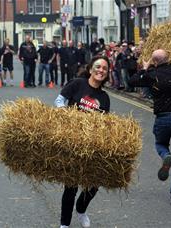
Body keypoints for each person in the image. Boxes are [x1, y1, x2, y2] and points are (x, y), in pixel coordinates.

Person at [129, 49, 171, 205]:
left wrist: (145, 68)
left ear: (154, 61)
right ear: (170, 58)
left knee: (160, 144)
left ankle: (165, 155)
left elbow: (132, 81)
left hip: (164, 117)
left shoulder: (152, 74)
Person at [54, 56, 111, 228]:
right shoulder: (78, 84)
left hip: (91, 143)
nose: (101, 70)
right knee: (70, 185)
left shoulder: (104, 97)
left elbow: (104, 122)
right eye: (98, 67)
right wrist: (66, 114)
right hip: (72, 140)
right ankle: (64, 224)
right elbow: (59, 100)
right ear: (90, 68)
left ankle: (81, 208)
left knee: (94, 183)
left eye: (105, 69)